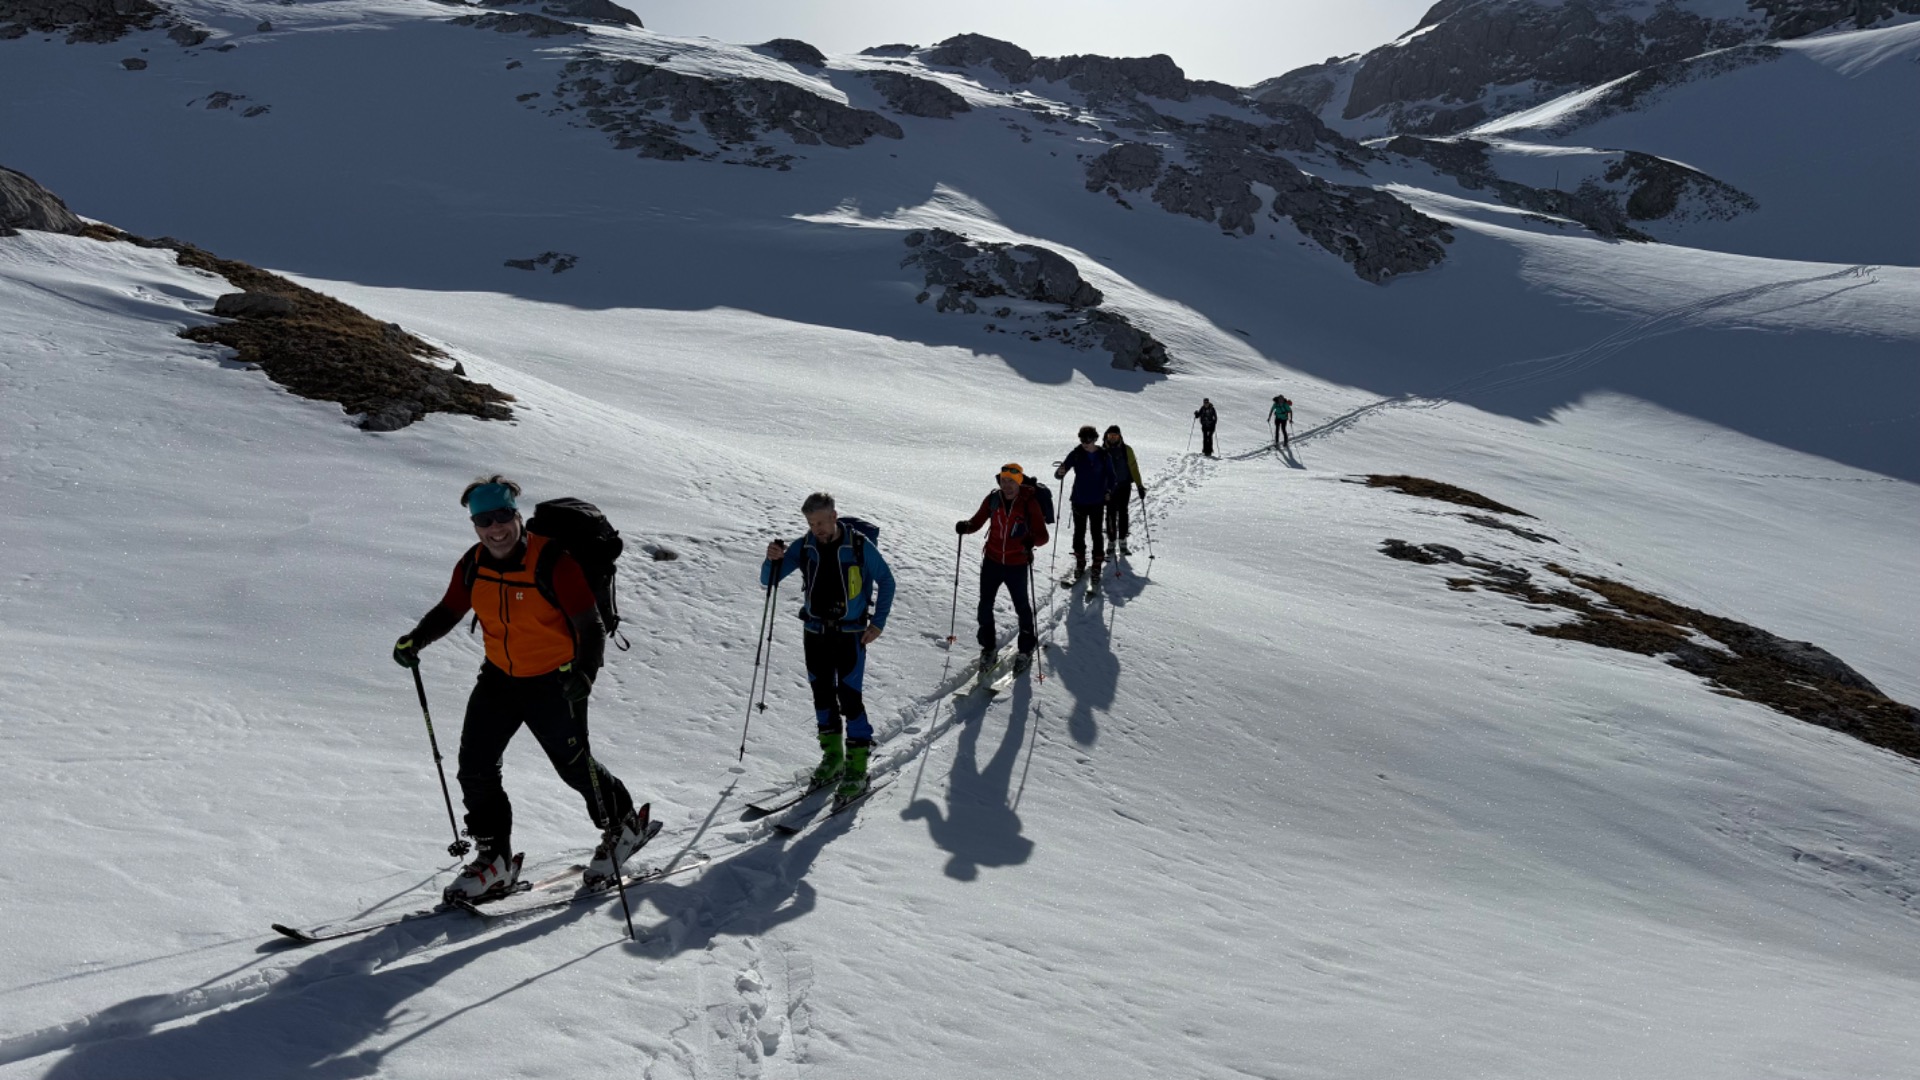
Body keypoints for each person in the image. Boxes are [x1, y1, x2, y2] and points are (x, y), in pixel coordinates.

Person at [393, 476, 649, 902]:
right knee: (474, 767)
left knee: (573, 766)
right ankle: (494, 860)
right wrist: (417, 639)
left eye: (502, 516)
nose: (495, 528)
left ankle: (624, 825)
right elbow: (451, 608)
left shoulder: (553, 562)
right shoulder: (473, 563)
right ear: (475, 524)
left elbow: (589, 626)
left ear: (516, 516)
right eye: (484, 520)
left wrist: (584, 674)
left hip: (556, 678)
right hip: (499, 677)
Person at [762, 492, 896, 801]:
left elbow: (886, 580)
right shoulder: (805, 546)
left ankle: (857, 768)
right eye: (811, 523)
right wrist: (772, 559)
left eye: (821, 522)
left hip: (850, 634)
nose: (817, 529)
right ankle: (833, 758)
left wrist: (878, 623)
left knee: (849, 698)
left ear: (834, 516)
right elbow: (769, 580)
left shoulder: (859, 545)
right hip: (814, 633)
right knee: (822, 696)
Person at [955, 463, 1050, 673]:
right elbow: (977, 522)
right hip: (992, 561)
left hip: (1017, 564)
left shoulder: (1029, 503)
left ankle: (1026, 648)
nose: (1007, 485)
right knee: (985, 605)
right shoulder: (993, 500)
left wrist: (1031, 541)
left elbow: (1043, 536)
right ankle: (988, 647)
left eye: (1011, 481)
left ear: (1019, 483)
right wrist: (966, 527)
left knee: (1022, 607)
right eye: (1004, 481)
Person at [1054, 425, 1117, 592]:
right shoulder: (1076, 453)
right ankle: (1080, 564)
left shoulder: (1104, 455)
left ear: (1095, 439)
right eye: (1082, 439)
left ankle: (1096, 567)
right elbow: (1060, 473)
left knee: (1096, 533)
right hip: (1079, 500)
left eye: (1088, 440)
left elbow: (1112, 477)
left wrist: (1109, 491)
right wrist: (1060, 472)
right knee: (1079, 533)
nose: (1085, 443)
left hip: (1097, 501)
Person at [1100, 425, 1146, 557]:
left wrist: (1139, 485)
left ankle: (1122, 541)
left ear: (1120, 436)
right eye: (1110, 436)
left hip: (1124, 486)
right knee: (1110, 514)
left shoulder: (1127, 450)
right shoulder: (1102, 451)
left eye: (1115, 436)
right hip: (1109, 488)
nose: (1113, 438)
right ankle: (1111, 542)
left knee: (1123, 513)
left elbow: (1134, 468)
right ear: (1106, 436)